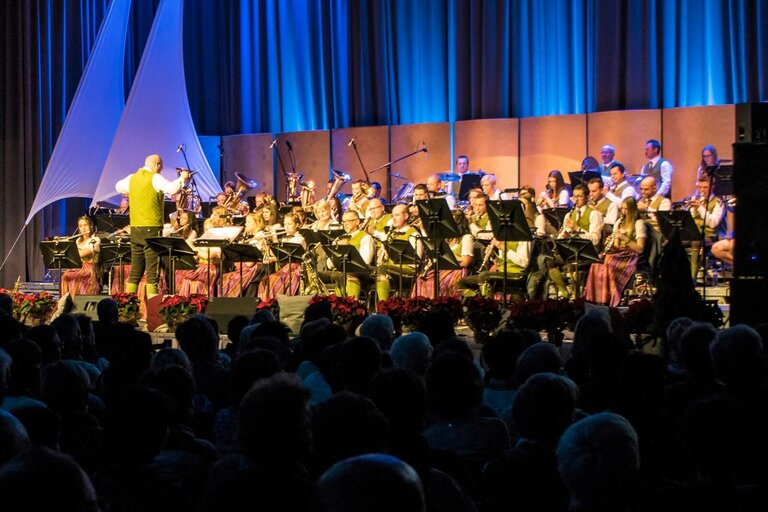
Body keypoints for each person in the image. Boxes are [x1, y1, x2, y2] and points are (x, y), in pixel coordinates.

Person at [115, 154, 191, 297]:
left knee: (135, 272)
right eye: (161, 165)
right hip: (151, 231)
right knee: (152, 273)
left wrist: (132, 190)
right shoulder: (154, 178)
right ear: (157, 164)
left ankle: (126, 310)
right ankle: (153, 315)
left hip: (135, 229)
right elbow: (172, 189)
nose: (161, 168)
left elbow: (118, 186)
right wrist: (183, 178)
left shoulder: (132, 178)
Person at [585, 197, 647, 306]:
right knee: (597, 261)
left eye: (626, 209)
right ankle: (597, 298)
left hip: (632, 254)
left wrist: (624, 238)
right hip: (620, 253)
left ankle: (611, 297)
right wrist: (611, 244)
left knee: (609, 261)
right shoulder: (619, 222)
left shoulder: (639, 223)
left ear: (632, 210)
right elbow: (617, 246)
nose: (623, 212)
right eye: (622, 209)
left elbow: (640, 249)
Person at [413, 210, 473, 298]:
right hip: (443, 268)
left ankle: (439, 304)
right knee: (420, 280)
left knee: (435, 283)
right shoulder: (447, 238)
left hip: (456, 270)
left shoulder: (466, 238)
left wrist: (446, 254)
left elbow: (466, 261)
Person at [375, 204, 420, 300]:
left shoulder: (414, 234)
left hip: (408, 271)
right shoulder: (391, 234)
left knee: (382, 269)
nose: (393, 219)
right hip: (391, 269)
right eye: (392, 216)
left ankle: (383, 305)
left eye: (397, 215)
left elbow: (416, 261)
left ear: (406, 216)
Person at [60, 216, 101, 297]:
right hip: (78, 267)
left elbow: (80, 254)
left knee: (76, 276)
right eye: (81, 226)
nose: (83, 228)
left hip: (90, 269)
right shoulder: (78, 240)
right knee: (65, 276)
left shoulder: (95, 240)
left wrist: (67, 245)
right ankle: (66, 303)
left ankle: (77, 303)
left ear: (91, 226)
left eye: (85, 225)